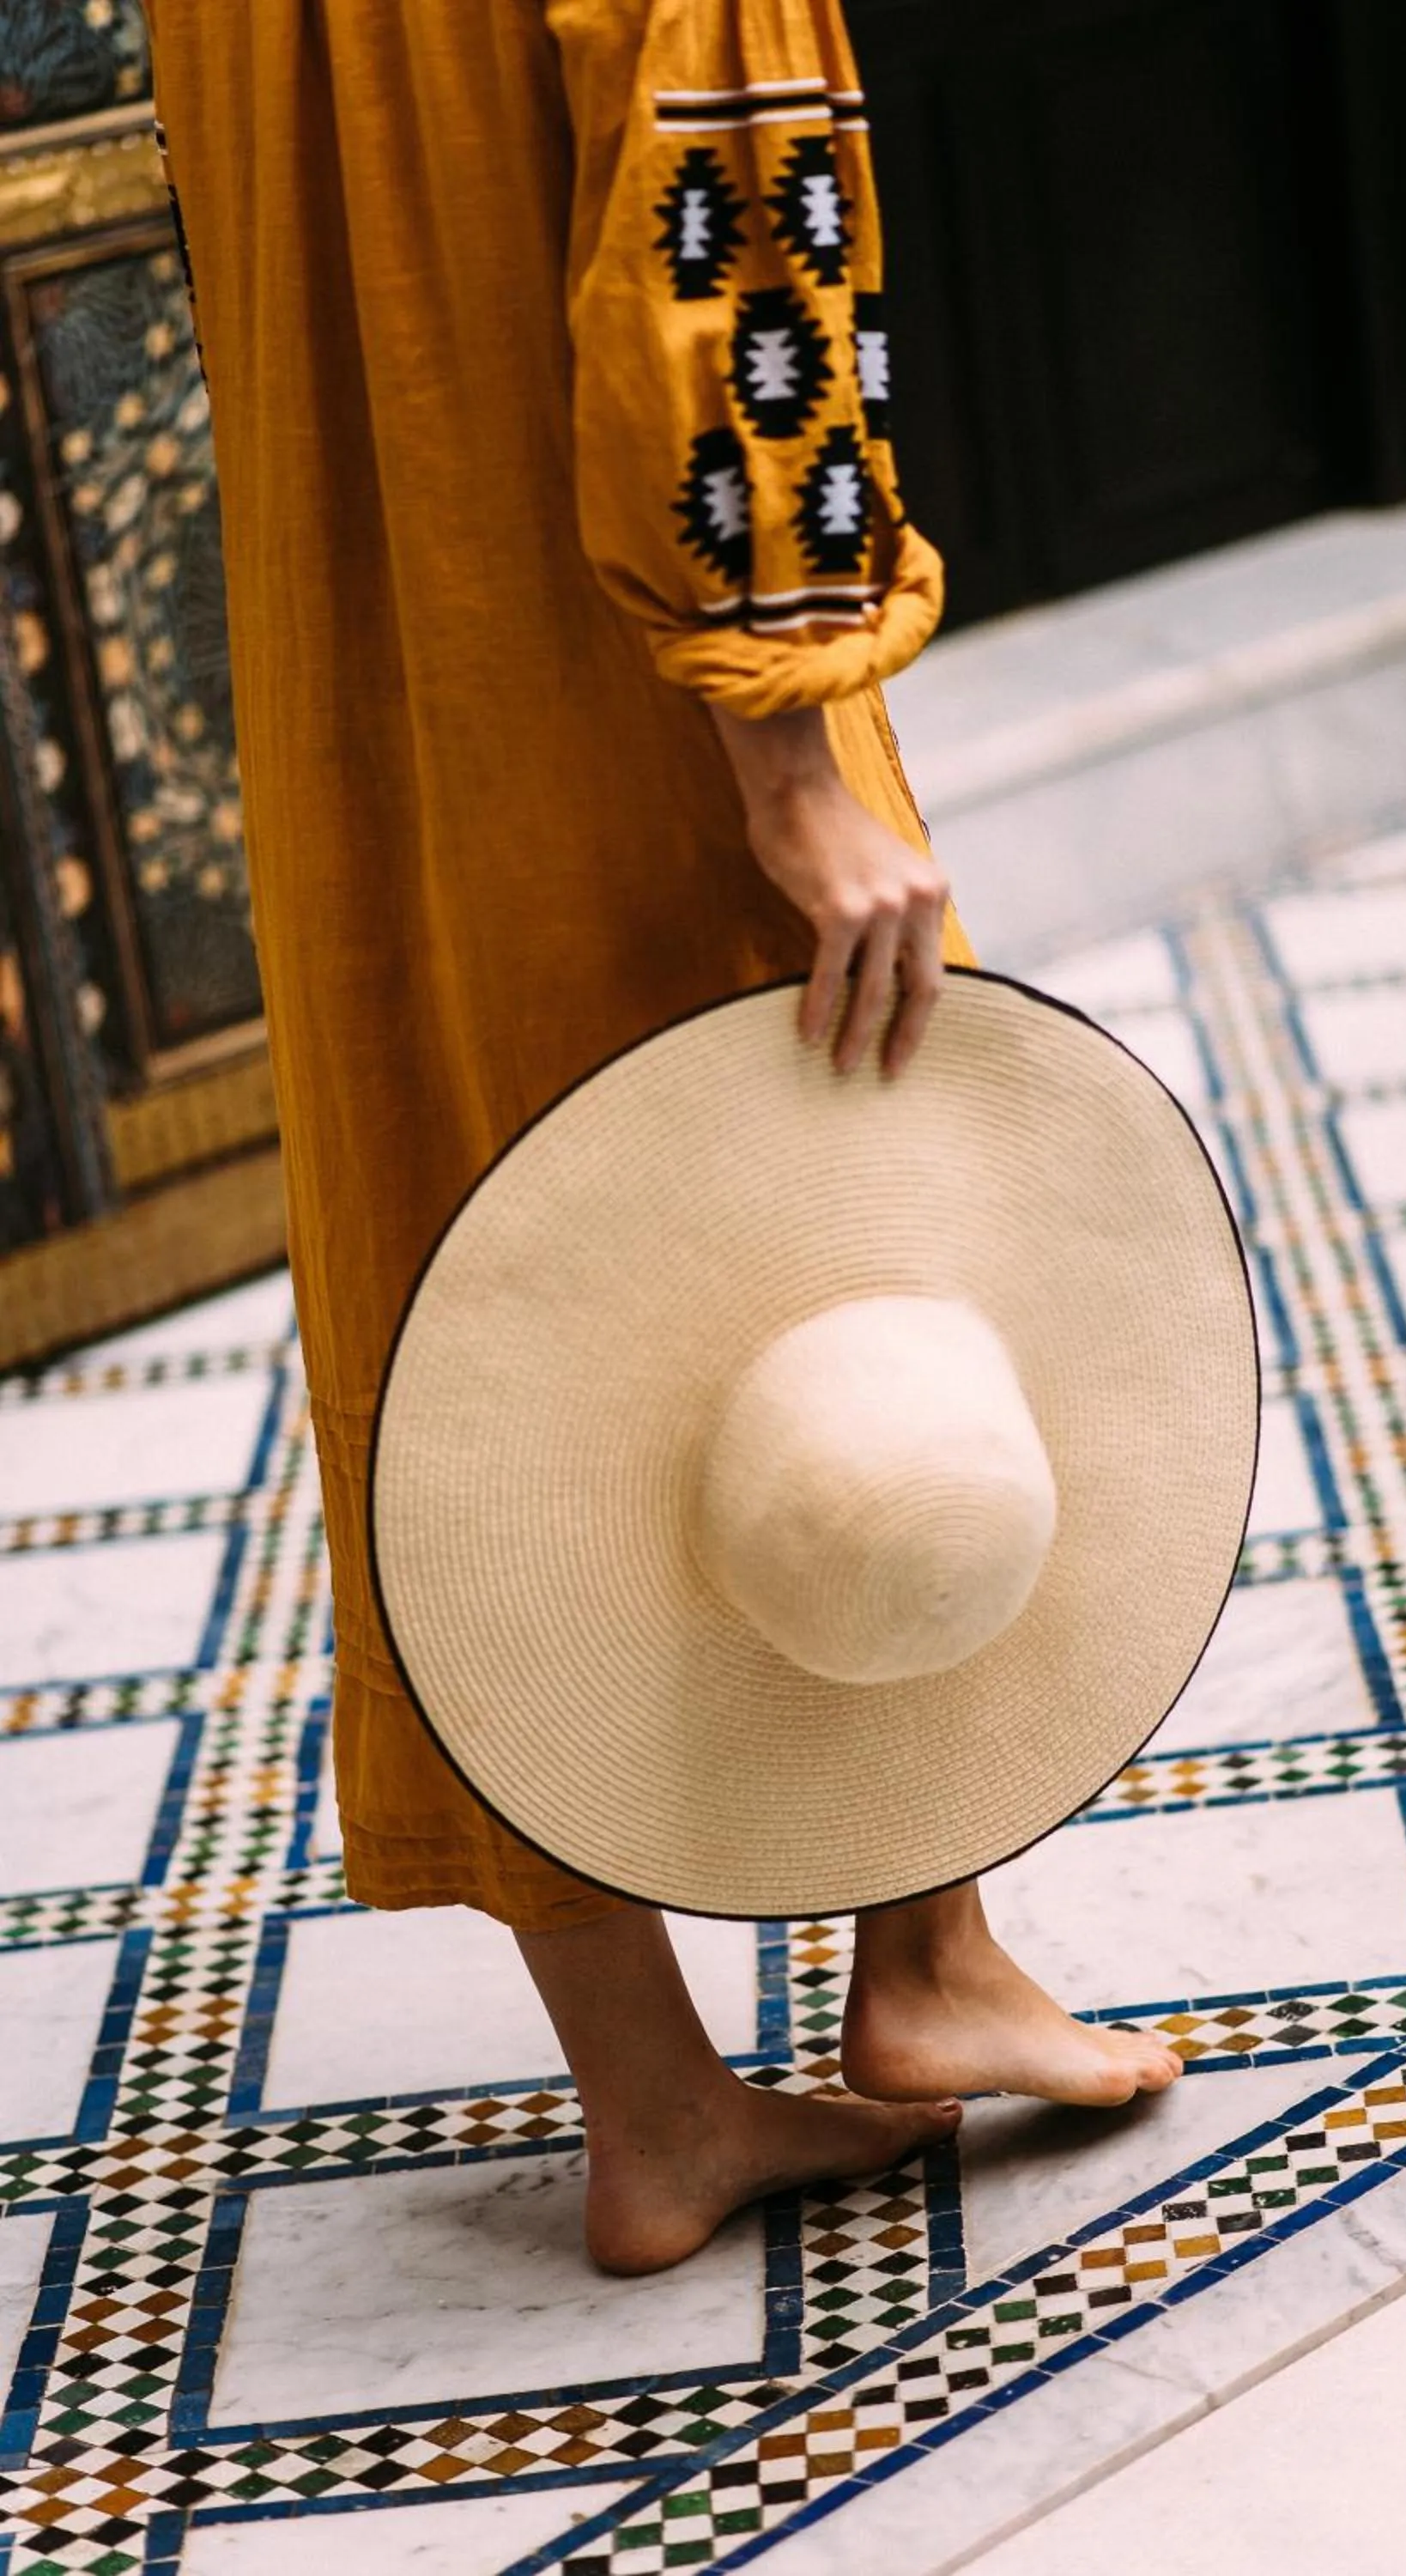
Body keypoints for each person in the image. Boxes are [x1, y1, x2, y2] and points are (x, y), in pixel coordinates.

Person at [142, 0, 1182, 2276]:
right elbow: (724, 242)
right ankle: (925, 1959)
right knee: (859, 1250)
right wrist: (793, 752)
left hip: (386, 693)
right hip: (640, 712)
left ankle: (654, 2105)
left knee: (487, 1331)